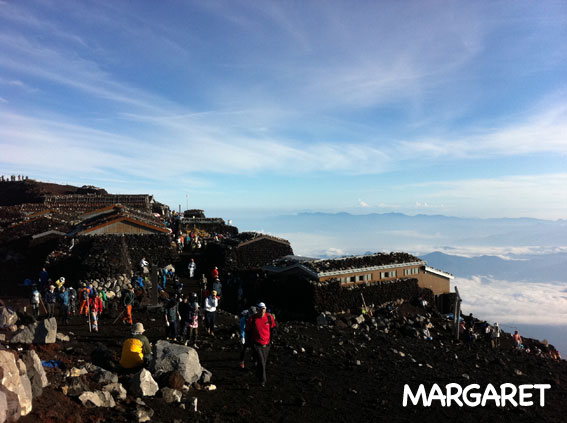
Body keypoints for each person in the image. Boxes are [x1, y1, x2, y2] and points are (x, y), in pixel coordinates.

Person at [246, 302, 277, 387]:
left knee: (263, 362)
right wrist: (250, 343)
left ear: (265, 309)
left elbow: (273, 329)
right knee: (262, 362)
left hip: (266, 344)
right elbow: (248, 331)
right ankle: (263, 380)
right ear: (257, 310)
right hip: (256, 344)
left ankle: (258, 375)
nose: (262, 310)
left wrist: (271, 341)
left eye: (264, 309)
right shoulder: (252, 319)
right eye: (260, 309)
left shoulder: (269, 317)